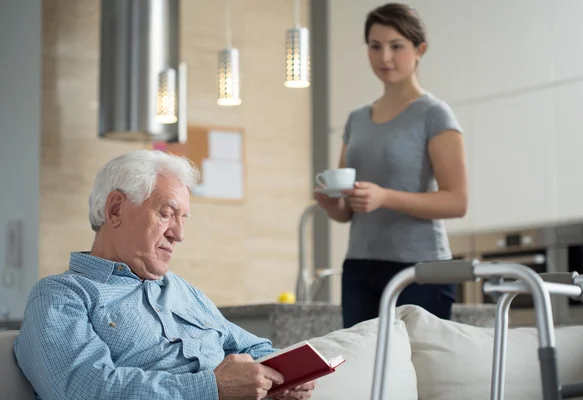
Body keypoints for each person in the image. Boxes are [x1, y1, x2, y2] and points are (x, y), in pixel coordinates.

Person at [14, 149, 315, 400]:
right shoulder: (61, 295)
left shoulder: (181, 290)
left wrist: (286, 376)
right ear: (116, 209)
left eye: (183, 219)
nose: (179, 234)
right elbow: (85, 389)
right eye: (166, 214)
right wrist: (213, 388)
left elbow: (251, 347)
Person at [314, 3, 468, 329]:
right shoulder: (356, 119)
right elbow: (346, 212)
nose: (384, 57)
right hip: (359, 267)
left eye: (396, 46)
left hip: (420, 269)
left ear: (419, 50)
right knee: (366, 372)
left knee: (420, 373)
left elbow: (457, 201)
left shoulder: (435, 114)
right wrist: (333, 203)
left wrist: (386, 197)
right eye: (375, 46)